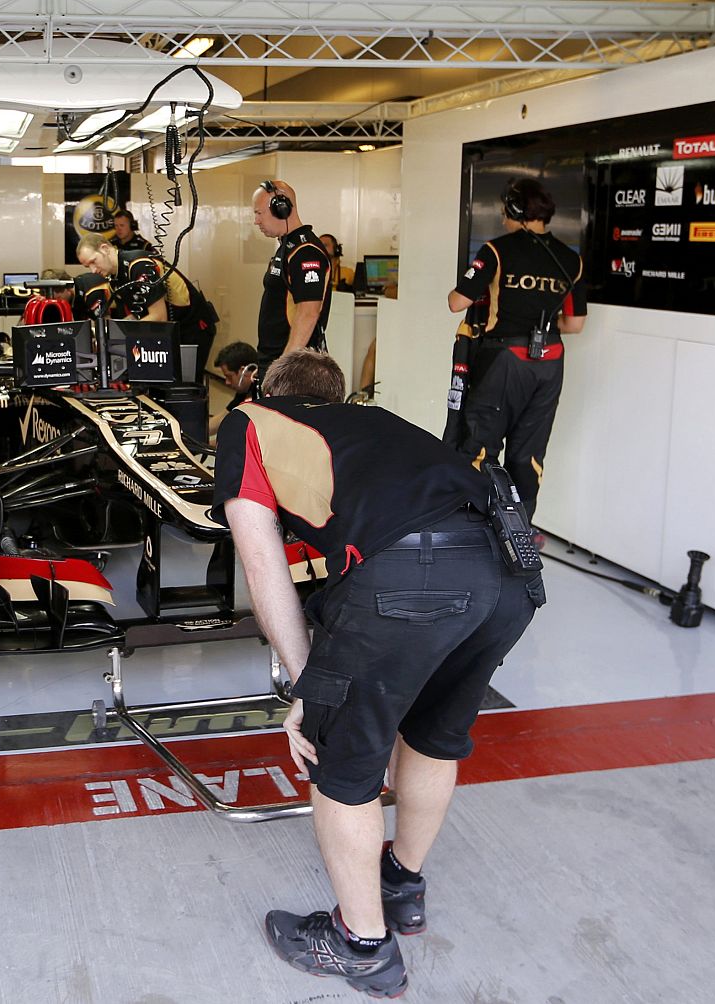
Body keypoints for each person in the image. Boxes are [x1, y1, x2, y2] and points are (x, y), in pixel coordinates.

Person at [212, 349, 543, 999]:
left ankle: (362, 946)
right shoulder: (375, 424)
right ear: (336, 396)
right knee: (432, 735)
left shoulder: (249, 421)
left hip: (413, 571)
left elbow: (259, 558)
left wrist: (310, 680)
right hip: (510, 573)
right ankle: (403, 885)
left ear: (266, 389)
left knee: (344, 765)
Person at [447, 177, 586, 519]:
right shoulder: (571, 260)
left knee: (480, 446)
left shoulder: (496, 250)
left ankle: (474, 529)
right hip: (550, 362)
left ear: (514, 210)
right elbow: (574, 324)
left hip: (504, 360)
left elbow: (456, 302)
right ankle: (519, 530)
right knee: (528, 454)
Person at [75, 235, 218, 383]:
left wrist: (121, 336)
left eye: (93, 261)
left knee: (184, 387)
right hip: (170, 330)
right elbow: (137, 316)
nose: (92, 270)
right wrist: (110, 333)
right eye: (87, 266)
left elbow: (159, 317)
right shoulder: (115, 279)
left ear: (104, 249)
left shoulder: (138, 265)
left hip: (192, 326)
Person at [251, 180, 333, 372]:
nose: (256, 221)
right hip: (274, 360)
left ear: (281, 208)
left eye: (259, 213)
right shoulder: (288, 247)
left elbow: (308, 314)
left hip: (293, 369)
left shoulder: (306, 253)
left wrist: (282, 369)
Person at [208, 340, 258, 440]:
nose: (227, 382)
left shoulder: (261, 392)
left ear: (244, 371)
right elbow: (224, 418)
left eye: (229, 377)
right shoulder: (245, 389)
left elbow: (242, 440)